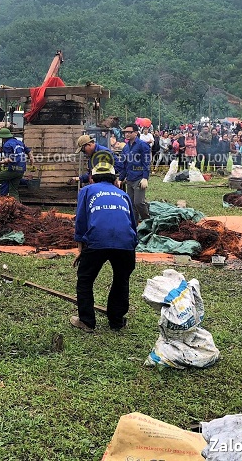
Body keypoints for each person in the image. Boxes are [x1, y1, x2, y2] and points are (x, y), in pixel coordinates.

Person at [71, 161, 137, 332]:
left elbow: (81, 220)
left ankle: (86, 322)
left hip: (97, 241)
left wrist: (80, 248)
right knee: (121, 280)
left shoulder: (86, 190)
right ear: (114, 179)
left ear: (91, 179)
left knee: (85, 279)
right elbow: (132, 223)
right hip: (125, 243)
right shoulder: (123, 195)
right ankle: (116, 322)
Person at [118, 124, 151, 221]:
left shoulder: (142, 145)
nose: (127, 134)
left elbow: (146, 162)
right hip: (130, 178)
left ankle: (147, 221)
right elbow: (124, 165)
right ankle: (134, 225)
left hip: (139, 177)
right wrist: (120, 179)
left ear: (136, 133)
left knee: (138, 202)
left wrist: (145, 177)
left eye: (129, 132)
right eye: (125, 132)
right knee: (131, 204)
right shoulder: (125, 148)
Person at [0, 128, 31, 201]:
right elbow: (28, 151)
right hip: (21, 170)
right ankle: (16, 207)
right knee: (13, 190)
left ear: (3, 138)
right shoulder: (19, 142)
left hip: (14, 169)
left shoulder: (7, 145)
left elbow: (9, 159)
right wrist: (32, 159)